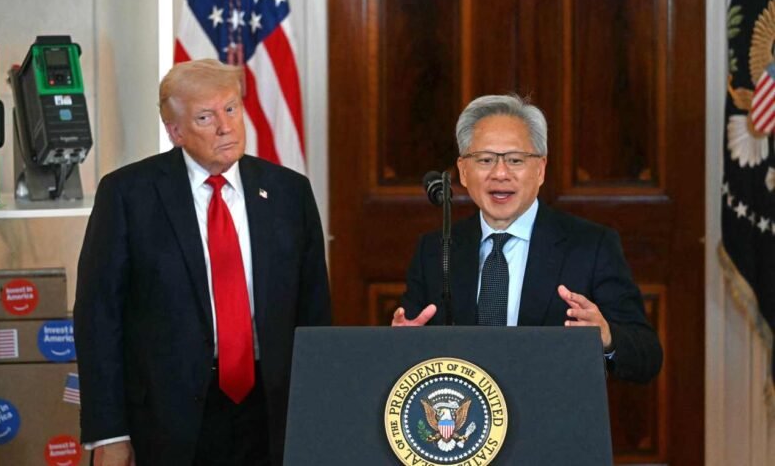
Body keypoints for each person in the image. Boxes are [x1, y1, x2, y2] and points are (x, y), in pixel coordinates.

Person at [73, 59, 331, 465]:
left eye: (231, 109)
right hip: (167, 419)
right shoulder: (128, 195)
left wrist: (319, 413)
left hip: (271, 412)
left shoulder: (288, 192)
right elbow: (98, 318)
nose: (226, 127)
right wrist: (110, 432)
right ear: (175, 131)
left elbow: (314, 311)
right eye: (206, 117)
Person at [392, 94, 662, 384]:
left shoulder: (590, 246)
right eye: (485, 160)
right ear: (464, 172)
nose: (500, 173)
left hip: (550, 410)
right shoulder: (435, 250)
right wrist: (401, 345)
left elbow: (646, 355)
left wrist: (607, 337)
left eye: (515, 160)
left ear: (540, 169)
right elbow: (406, 349)